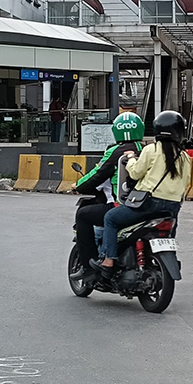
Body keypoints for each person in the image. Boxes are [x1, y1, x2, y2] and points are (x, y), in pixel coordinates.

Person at [94, 111, 192, 278]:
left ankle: (109, 260)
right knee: (167, 234)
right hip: (172, 207)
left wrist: (131, 158)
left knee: (110, 218)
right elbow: (186, 182)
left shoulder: (151, 150)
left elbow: (135, 173)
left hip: (148, 204)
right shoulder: (184, 157)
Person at [70, 112, 145, 278]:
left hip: (123, 205)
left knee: (83, 215)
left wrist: (78, 185)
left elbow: (97, 174)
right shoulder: (145, 150)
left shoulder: (115, 152)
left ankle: (89, 268)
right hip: (146, 204)